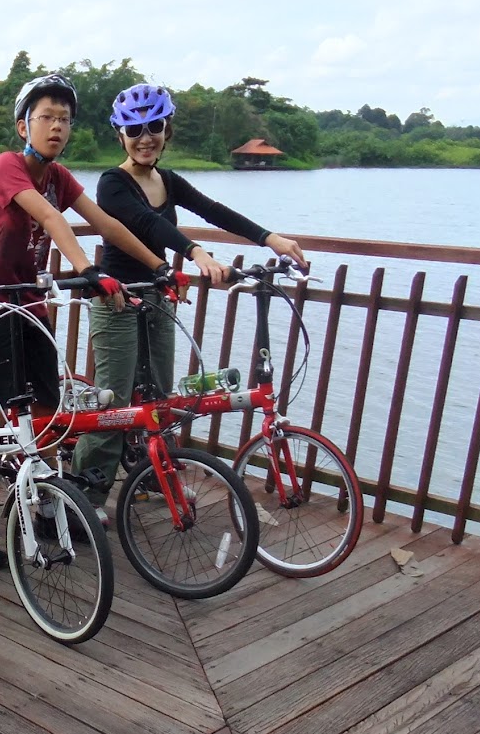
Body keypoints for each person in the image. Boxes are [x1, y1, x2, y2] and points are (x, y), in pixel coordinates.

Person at [0, 73, 173, 558]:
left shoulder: (58, 176)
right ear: (22, 125)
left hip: (31, 299)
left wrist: (159, 266)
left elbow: (106, 222)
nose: (57, 127)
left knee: (47, 406)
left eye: (65, 120)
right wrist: (88, 269)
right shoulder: (8, 166)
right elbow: (51, 218)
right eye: (46, 118)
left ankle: (49, 507)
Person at [69, 82, 308, 507]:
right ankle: (84, 498)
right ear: (120, 135)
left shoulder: (168, 180)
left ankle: (148, 473)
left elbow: (213, 210)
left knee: (160, 397)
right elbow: (147, 224)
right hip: (117, 301)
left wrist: (269, 238)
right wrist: (195, 252)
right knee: (115, 402)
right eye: (135, 129)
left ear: (167, 130)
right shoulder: (112, 184)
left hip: (157, 298)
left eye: (154, 126)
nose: (145, 138)